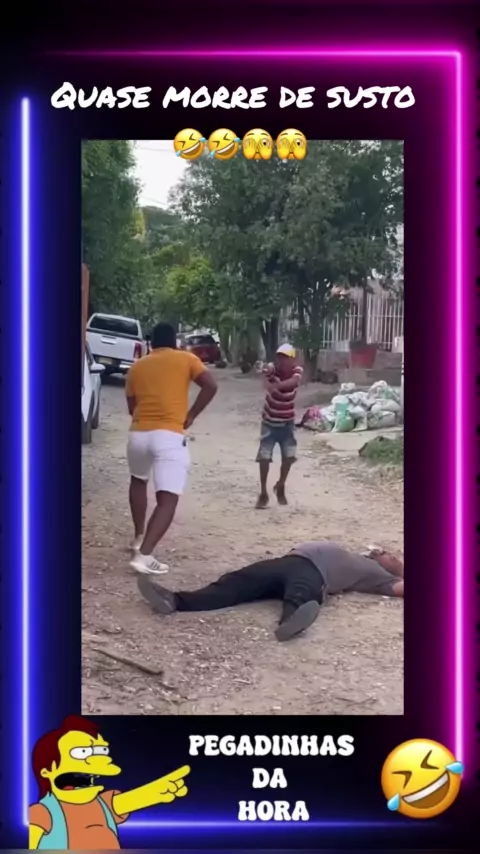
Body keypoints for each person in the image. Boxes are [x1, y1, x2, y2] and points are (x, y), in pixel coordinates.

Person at [136, 541, 404, 642]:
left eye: (391, 555)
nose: (385, 552)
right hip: (288, 562)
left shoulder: (380, 577)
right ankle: (175, 600)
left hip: (315, 572)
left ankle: (291, 623)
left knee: (302, 592)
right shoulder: (361, 557)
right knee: (236, 581)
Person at [125, 322, 218, 575]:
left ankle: (139, 537)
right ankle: (144, 556)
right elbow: (211, 386)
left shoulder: (137, 366)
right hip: (169, 436)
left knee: (138, 480)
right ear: (174, 342)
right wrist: (191, 415)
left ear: (151, 343)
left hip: (138, 434)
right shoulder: (186, 359)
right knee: (167, 499)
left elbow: (131, 406)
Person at [256, 343, 303, 509]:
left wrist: (275, 386)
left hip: (287, 423)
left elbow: (293, 382)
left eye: (285, 357)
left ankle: (280, 484)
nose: (282, 361)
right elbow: (266, 370)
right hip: (269, 422)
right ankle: (263, 492)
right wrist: (265, 370)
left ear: (293, 360)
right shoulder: (273, 369)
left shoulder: (297, 371)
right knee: (264, 457)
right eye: (280, 357)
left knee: (289, 457)